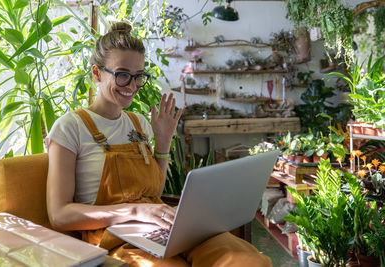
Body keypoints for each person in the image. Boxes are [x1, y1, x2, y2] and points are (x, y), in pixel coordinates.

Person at [46, 21, 272, 267]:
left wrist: (162, 144)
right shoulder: (71, 127)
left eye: (138, 76)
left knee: (247, 260)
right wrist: (133, 212)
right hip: (118, 239)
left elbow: (153, 192)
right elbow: (59, 215)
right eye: (122, 75)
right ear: (97, 73)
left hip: (161, 227)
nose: (132, 86)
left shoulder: (138, 123)